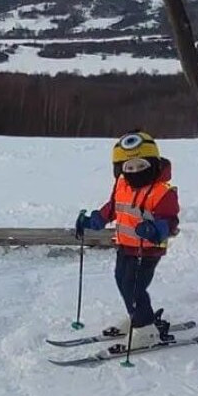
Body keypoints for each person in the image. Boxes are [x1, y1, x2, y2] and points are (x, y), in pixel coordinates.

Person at [75, 130, 180, 348]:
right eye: (129, 168)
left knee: (133, 286)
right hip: (125, 245)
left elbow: (171, 222)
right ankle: (137, 316)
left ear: (152, 163)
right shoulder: (122, 184)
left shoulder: (163, 191)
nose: (134, 172)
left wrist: (154, 229)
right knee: (122, 281)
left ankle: (144, 329)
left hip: (147, 249)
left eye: (140, 166)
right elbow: (113, 208)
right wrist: (93, 221)